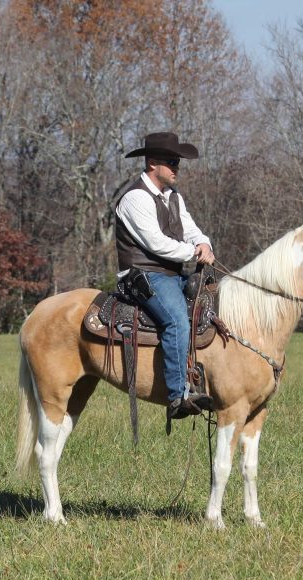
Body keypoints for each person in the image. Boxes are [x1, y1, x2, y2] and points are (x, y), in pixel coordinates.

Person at [114, 131, 216, 420]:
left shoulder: (173, 196)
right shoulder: (135, 198)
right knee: (176, 321)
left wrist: (204, 243)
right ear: (151, 164)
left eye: (178, 162)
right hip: (143, 275)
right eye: (171, 162)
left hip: (170, 274)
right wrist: (193, 253)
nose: (177, 167)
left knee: (213, 303)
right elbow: (155, 243)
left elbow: (191, 228)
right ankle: (177, 395)